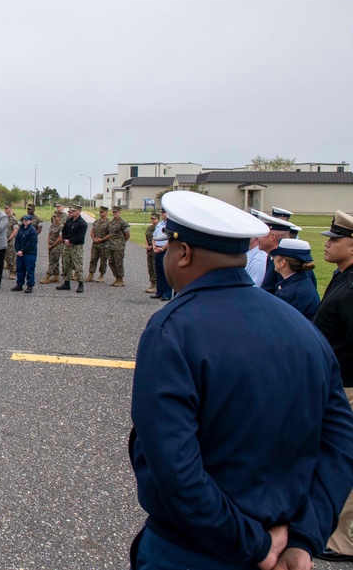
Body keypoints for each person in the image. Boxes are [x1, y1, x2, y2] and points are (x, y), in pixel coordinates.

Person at [129, 191, 353, 570]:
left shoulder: (174, 329)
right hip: (283, 545)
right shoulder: (302, 328)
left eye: (170, 246)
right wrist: (303, 538)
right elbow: (339, 441)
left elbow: (173, 464)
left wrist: (253, 544)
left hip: (195, 550)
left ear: (183, 253)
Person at [314, 210, 353, 561]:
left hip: (349, 387)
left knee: (345, 456)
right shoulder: (343, 277)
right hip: (336, 385)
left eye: (335, 239)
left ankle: (341, 542)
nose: (327, 243)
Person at [268, 238, 320, 322]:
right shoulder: (300, 282)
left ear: (282, 262)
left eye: (275, 257)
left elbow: (282, 323)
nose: (273, 259)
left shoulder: (291, 293)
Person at [251, 209, 298, 294]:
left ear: (272, 237)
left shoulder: (284, 263)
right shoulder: (274, 258)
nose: (256, 238)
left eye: (261, 234)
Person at [57, 205, 87, 293]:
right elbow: (64, 231)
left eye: (74, 210)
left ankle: (81, 284)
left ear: (79, 211)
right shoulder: (69, 221)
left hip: (76, 246)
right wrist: (65, 240)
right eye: (71, 210)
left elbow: (80, 236)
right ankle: (66, 283)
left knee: (78, 265)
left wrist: (71, 241)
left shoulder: (82, 223)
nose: (72, 212)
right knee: (66, 264)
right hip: (67, 245)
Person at [11, 214, 38, 293]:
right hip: (20, 253)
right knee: (20, 269)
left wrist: (22, 250)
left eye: (26, 220)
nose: (25, 221)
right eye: (23, 220)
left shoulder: (32, 230)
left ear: (30, 221)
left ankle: (30, 285)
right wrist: (18, 250)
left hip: (29, 253)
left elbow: (31, 243)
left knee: (29, 270)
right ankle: (19, 284)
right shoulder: (21, 229)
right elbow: (17, 240)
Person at [106, 205, 131, 287]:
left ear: (119, 212)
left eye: (116, 212)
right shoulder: (111, 222)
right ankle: (116, 278)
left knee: (118, 263)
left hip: (119, 247)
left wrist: (122, 242)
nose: (114, 213)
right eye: (113, 212)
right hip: (111, 246)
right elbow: (110, 233)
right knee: (111, 262)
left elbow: (127, 234)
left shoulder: (122, 222)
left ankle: (120, 279)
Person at [151, 209, 171, 301]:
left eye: (163, 213)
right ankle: (159, 292)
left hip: (165, 249)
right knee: (158, 271)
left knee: (165, 272)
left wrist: (162, 249)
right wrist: (154, 246)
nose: (161, 214)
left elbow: (170, 240)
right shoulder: (159, 224)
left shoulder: (170, 225)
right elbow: (154, 236)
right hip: (157, 249)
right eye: (161, 213)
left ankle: (167, 293)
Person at [40, 211, 64, 284]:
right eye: (54, 217)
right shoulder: (52, 225)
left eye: (56, 217)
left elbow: (60, 238)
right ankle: (56, 276)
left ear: (59, 218)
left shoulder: (62, 226)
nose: (54, 218)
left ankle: (47, 277)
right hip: (51, 245)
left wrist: (53, 245)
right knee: (53, 260)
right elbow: (49, 235)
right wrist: (48, 244)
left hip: (57, 246)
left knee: (53, 261)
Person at [87, 206, 110, 282]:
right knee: (93, 259)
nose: (100, 213)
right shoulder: (96, 221)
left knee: (103, 260)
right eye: (100, 212)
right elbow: (92, 231)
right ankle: (91, 274)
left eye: (102, 212)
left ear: (106, 213)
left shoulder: (109, 223)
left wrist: (102, 239)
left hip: (104, 244)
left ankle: (101, 275)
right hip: (95, 243)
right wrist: (93, 238)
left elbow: (110, 234)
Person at [3, 204, 20, 281]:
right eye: (5, 209)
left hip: (10, 241)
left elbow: (15, 230)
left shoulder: (14, 219)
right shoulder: (2, 218)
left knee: (10, 257)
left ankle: (12, 272)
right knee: (1, 257)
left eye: (7, 208)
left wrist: (9, 239)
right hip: (1, 240)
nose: (6, 210)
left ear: (11, 209)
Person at [144, 212, 158, 293]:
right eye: (152, 218)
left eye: (154, 218)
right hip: (149, 249)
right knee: (150, 267)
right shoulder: (149, 228)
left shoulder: (159, 228)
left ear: (158, 219)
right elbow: (146, 237)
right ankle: (152, 284)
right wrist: (147, 245)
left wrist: (152, 246)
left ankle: (156, 286)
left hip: (155, 249)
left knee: (154, 267)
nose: (152, 220)